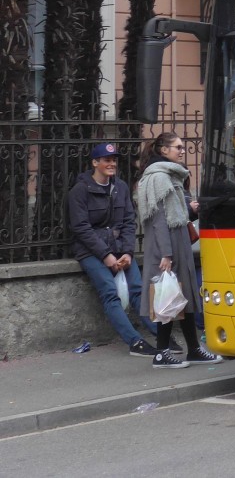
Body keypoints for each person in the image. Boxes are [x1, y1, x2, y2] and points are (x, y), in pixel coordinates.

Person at [135, 131, 223, 369]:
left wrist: (191, 212)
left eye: (182, 147)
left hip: (176, 243)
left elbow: (176, 214)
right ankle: (162, 353)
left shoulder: (169, 176)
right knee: (167, 298)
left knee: (183, 299)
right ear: (163, 150)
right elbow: (159, 219)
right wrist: (166, 253)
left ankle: (193, 349)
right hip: (167, 247)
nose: (182, 151)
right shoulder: (159, 178)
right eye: (178, 147)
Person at [67, 142, 160, 357]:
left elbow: (129, 220)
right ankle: (135, 342)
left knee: (138, 290)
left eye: (114, 160)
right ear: (95, 163)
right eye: (107, 160)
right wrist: (106, 256)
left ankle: (161, 336)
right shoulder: (80, 191)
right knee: (110, 293)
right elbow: (81, 228)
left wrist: (127, 252)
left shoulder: (121, 187)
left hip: (120, 250)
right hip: (91, 252)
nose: (111, 164)